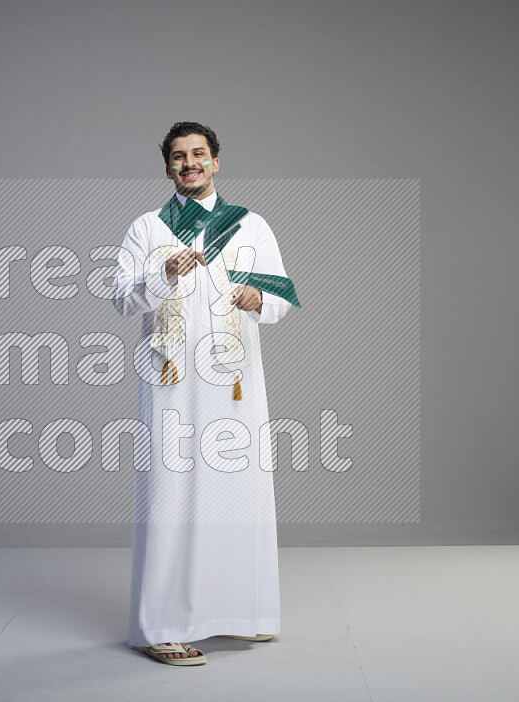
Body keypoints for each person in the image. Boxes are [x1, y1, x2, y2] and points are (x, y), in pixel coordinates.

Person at [111, 122, 299, 666]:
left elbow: (284, 294)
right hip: (170, 383)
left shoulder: (250, 225)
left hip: (234, 382)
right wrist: (162, 275)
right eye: (178, 156)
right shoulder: (148, 228)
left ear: (216, 162)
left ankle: (242, 612)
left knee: (238, 493)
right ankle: (162, 626)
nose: (189, 163)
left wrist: (255, 296)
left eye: (198, 154)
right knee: (170, 497)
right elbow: (121, 301)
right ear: (167, 167)